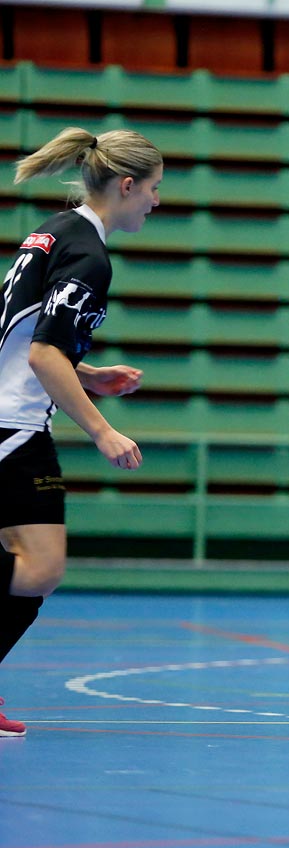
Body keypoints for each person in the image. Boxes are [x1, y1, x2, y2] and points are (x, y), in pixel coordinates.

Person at [1, 128, 162, 739]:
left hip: (7, 414)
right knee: (40, 567)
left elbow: (20, 331)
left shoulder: (53, 230)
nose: (154, 202)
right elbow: (43, 357)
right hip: (13, 424)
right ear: (126, 186)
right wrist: (102, 431)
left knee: (27, 563)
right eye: (153, 190)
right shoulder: (90, 256)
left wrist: (89, 373)